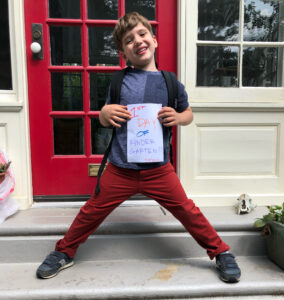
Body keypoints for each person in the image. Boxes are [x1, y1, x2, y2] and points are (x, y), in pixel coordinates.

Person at [36, 12, 241, 283]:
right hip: (121, 169)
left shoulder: (171, 82)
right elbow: (106, 115)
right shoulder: (118, 81)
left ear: (154, 40)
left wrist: (179, 118)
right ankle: (64, 251)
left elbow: (188, 114)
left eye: (142, 34)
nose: (138, 41)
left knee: (187, 210)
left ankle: (221, 252)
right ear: (123, 53)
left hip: (159, 170)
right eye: (129, 40)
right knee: (92, 210)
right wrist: (104, 114)